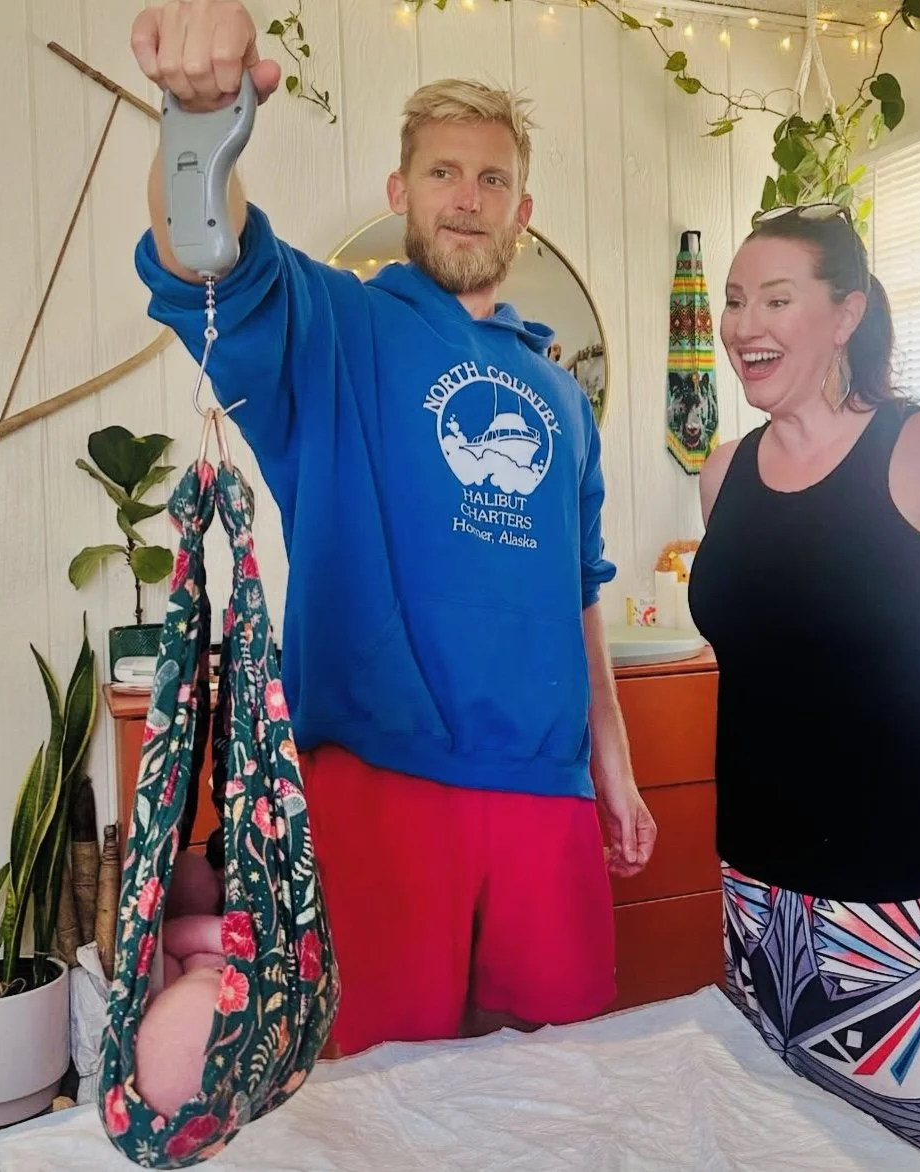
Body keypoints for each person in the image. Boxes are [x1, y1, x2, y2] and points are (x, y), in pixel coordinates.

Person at [127, 0, 656, 1112]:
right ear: (400, 193)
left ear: (523, 206)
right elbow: (206, 259)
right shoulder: (336, 325)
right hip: (378, 785)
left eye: (492, 178)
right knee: (369, 1108)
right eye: (444, 172)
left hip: (546, 802)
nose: (468, 196)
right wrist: (200, 121)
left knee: (564, 1104)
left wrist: (611, 758)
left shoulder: (563, 392)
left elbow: (579, 588)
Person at [688, 201, 920, 1169]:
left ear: (846, 313)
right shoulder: (723, 473)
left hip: (909, 887)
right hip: (759, 884)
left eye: (776, 298)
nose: (745, 322)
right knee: (784, 1137)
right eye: (735, 300)